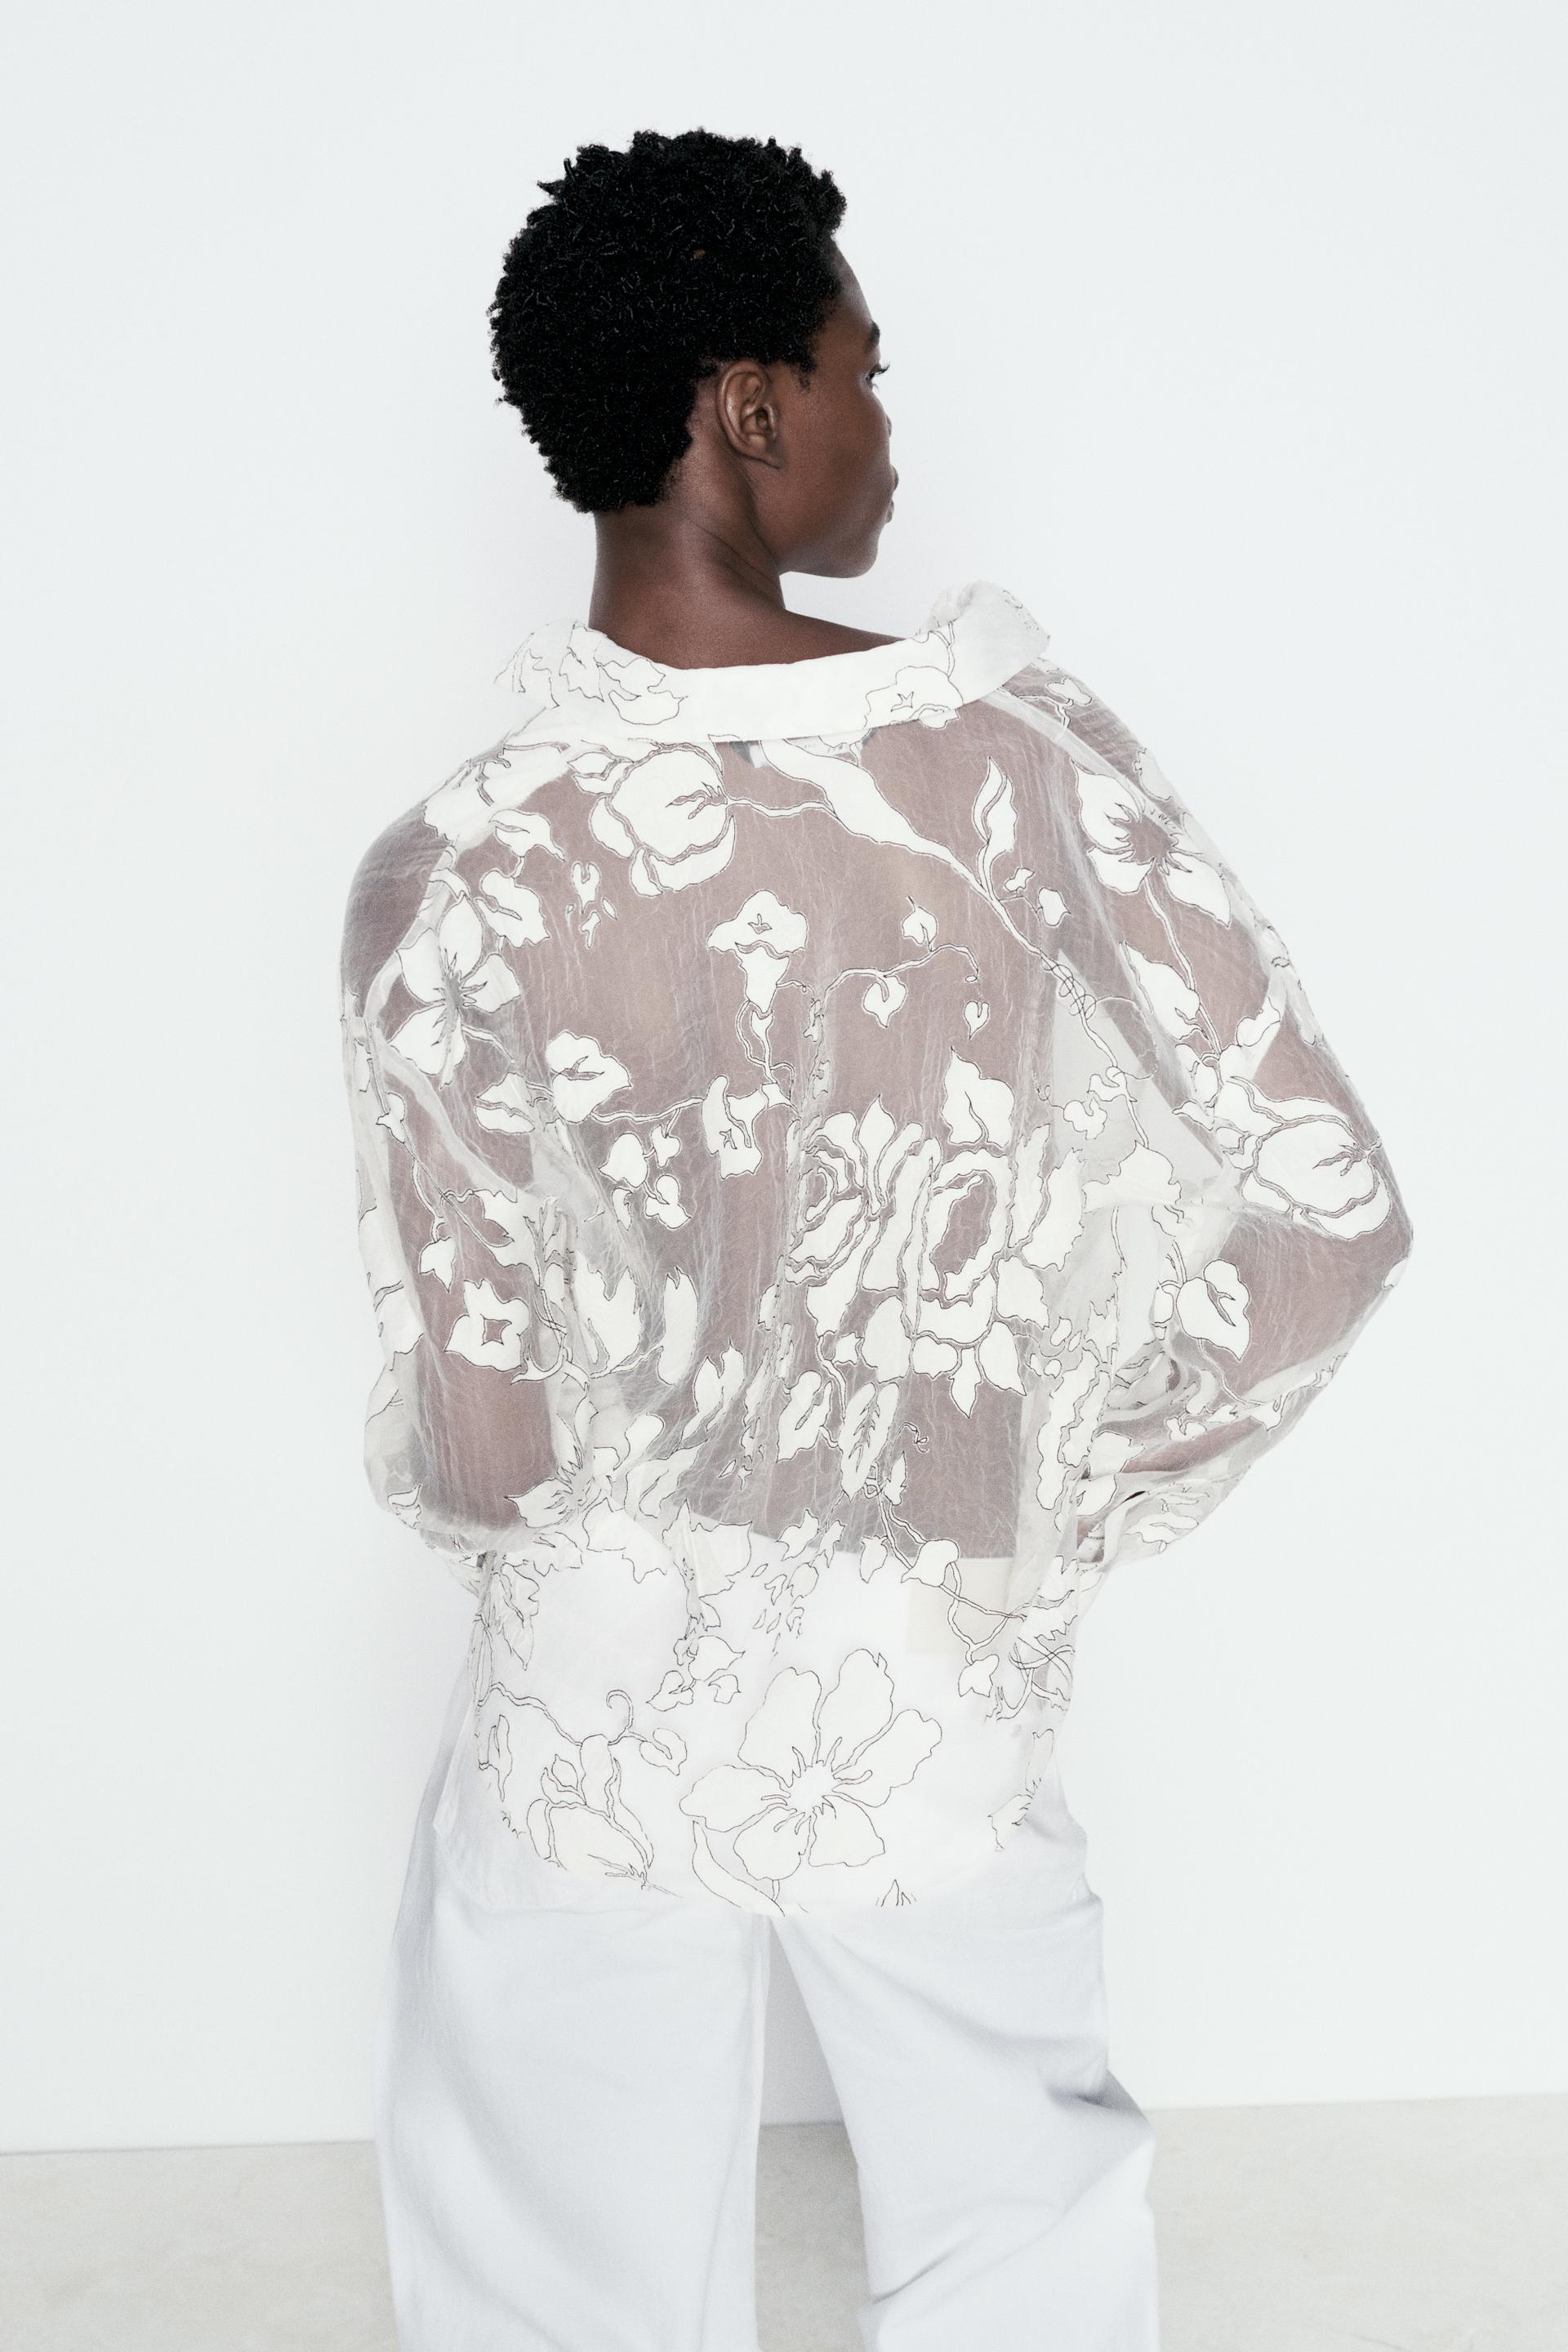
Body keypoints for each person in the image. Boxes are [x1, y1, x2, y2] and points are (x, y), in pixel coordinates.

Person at [339, 127, 1414, 2352]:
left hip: (583, 1708)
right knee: (1027, 2252)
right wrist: (1046, 1503)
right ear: (752, 406)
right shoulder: (1004, 775)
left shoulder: (447, 873)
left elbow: (484, 1428)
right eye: (864, 370)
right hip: (928, 1682)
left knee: (548, 2287)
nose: (889, 425)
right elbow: (1327, 1213)